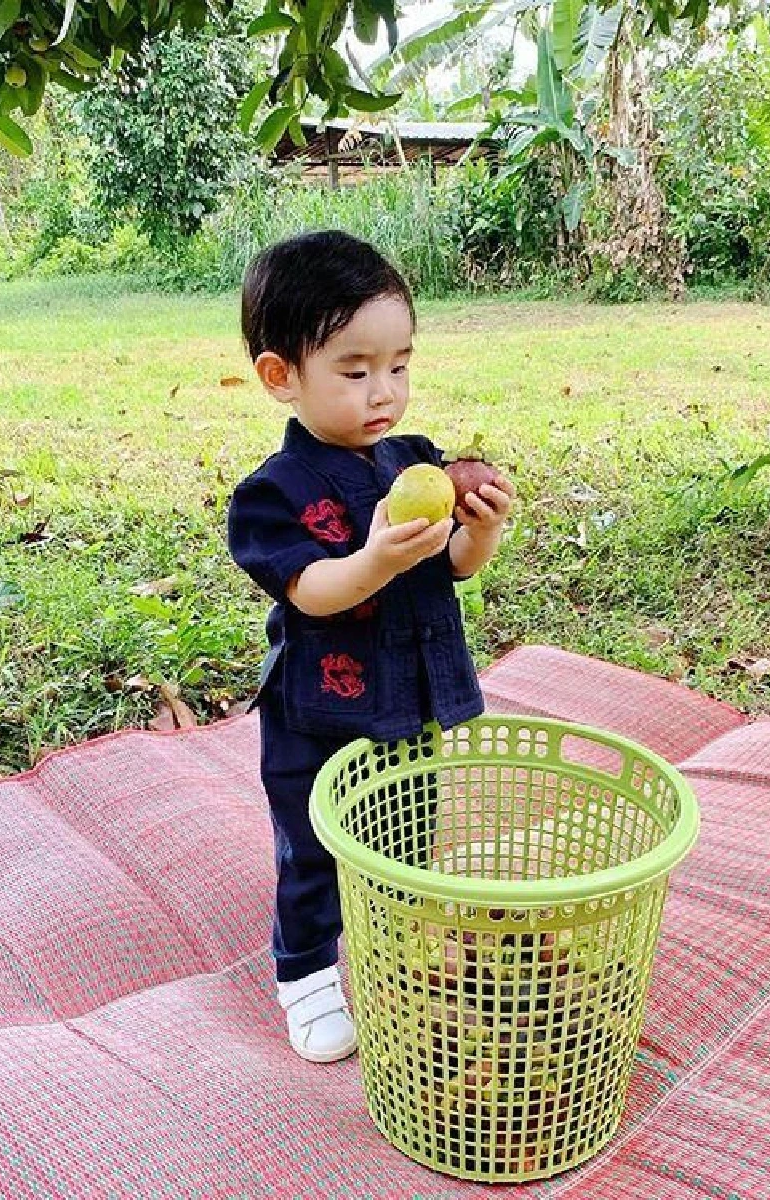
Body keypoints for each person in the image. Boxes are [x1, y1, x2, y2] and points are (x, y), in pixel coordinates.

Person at [227, 230, 515, 1062]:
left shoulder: (414, 461)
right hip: (320, 712)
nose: (383, 390)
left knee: (404, 840)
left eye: (399, 364)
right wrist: (370, 562)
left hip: (409, 699)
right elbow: (308, 590)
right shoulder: (273, 494)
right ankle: (307, 979)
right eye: (354, 372)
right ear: (282, 376)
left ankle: (388, 954)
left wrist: (480, 535)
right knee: (315, 853)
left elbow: (452, 569)